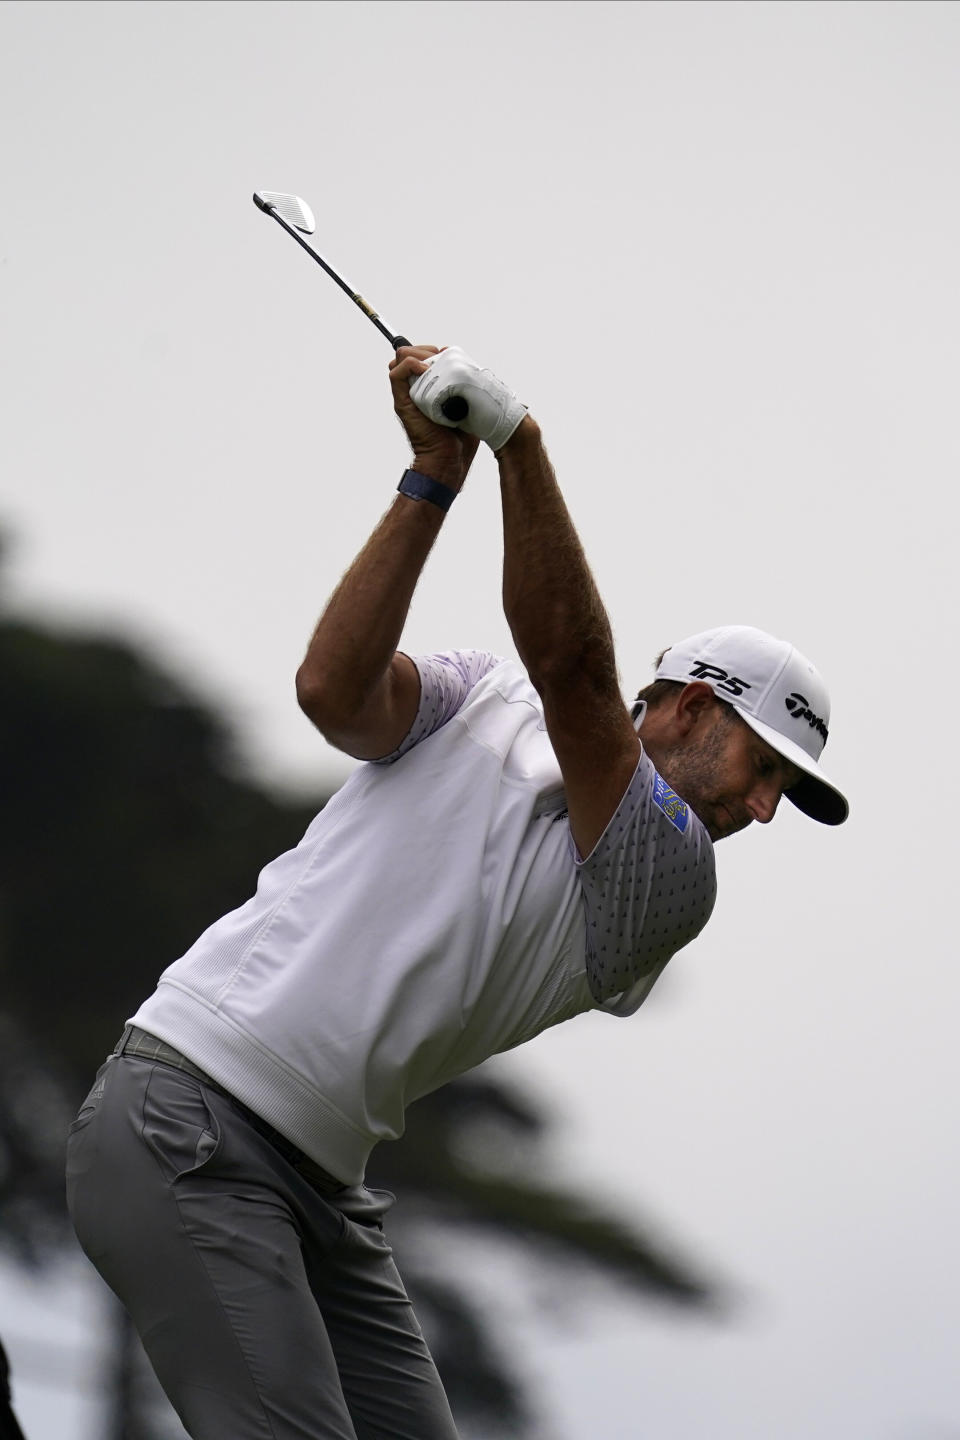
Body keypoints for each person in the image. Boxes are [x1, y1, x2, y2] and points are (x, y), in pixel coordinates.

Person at [66, 345, 848, 1440]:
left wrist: (518, 445)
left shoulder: (673, 876)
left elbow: (576, 673)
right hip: (188, 1122)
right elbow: (334, 691)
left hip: (320, 1190)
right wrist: (435, 475)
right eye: (763, 767)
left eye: (784, 791)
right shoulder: (482, 689)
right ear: (681, 705)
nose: (764, 810)